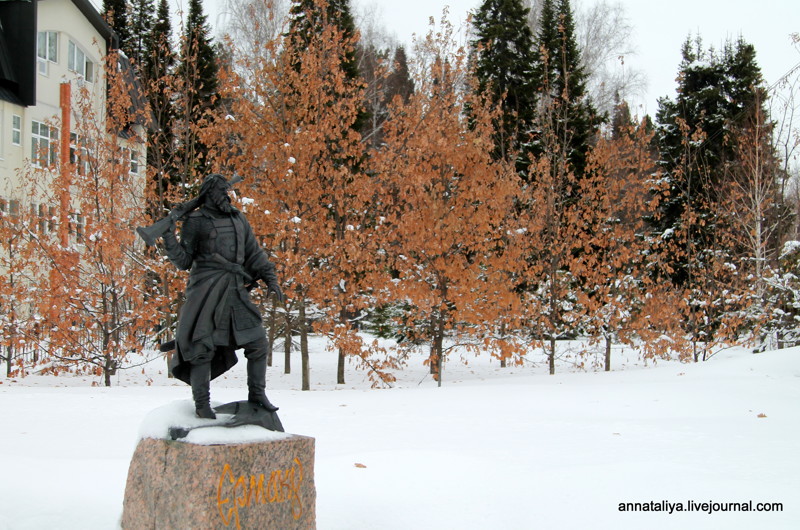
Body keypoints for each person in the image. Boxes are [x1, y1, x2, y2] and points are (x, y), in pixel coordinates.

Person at [161, 173, 283, 419]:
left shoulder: (238, 218)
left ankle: (257, 395)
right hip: (206, 291)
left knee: (258, 342)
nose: (227, 196)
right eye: (221, 192)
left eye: (227, 191)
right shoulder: (195, 221)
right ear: (210, 194)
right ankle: (202, 405)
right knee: (201, 349)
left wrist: (271, 279)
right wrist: (167, 235)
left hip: (235, 291)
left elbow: (254, 253)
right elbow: (184, 261)